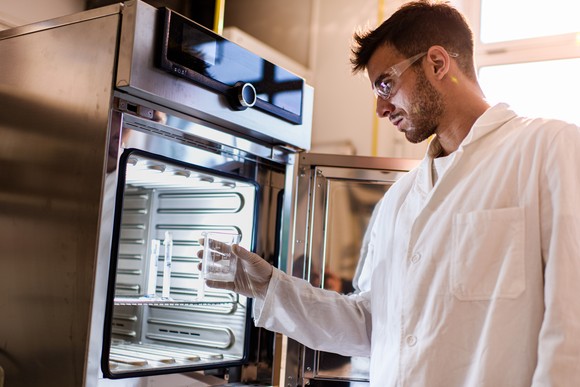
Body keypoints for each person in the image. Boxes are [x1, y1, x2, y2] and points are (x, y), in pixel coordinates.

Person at [201, 1, 580, 385]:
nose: (381, 108)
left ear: (436, 63)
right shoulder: (398, 200)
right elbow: (370, 325)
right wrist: (269, 287)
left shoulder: (548, 148)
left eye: (386, 84)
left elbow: (571, 322)